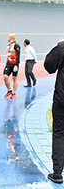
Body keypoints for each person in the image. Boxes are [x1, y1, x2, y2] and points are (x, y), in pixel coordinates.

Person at [44, 40, 64, 184]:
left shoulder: (63, 47)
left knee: (59, 133)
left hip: (62, 98)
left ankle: (57, 173)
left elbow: (49, 66)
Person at [3, 34, 20, 99]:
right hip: (9, 63)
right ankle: (9, 90)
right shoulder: (9, 45)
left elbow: (18, 56)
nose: (7, 38)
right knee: (5, 76)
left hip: (14, 64)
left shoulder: (16, 45)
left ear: (10, 38)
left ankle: (14, 93)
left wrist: (16, 65)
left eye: (8, 37)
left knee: (14, 78)